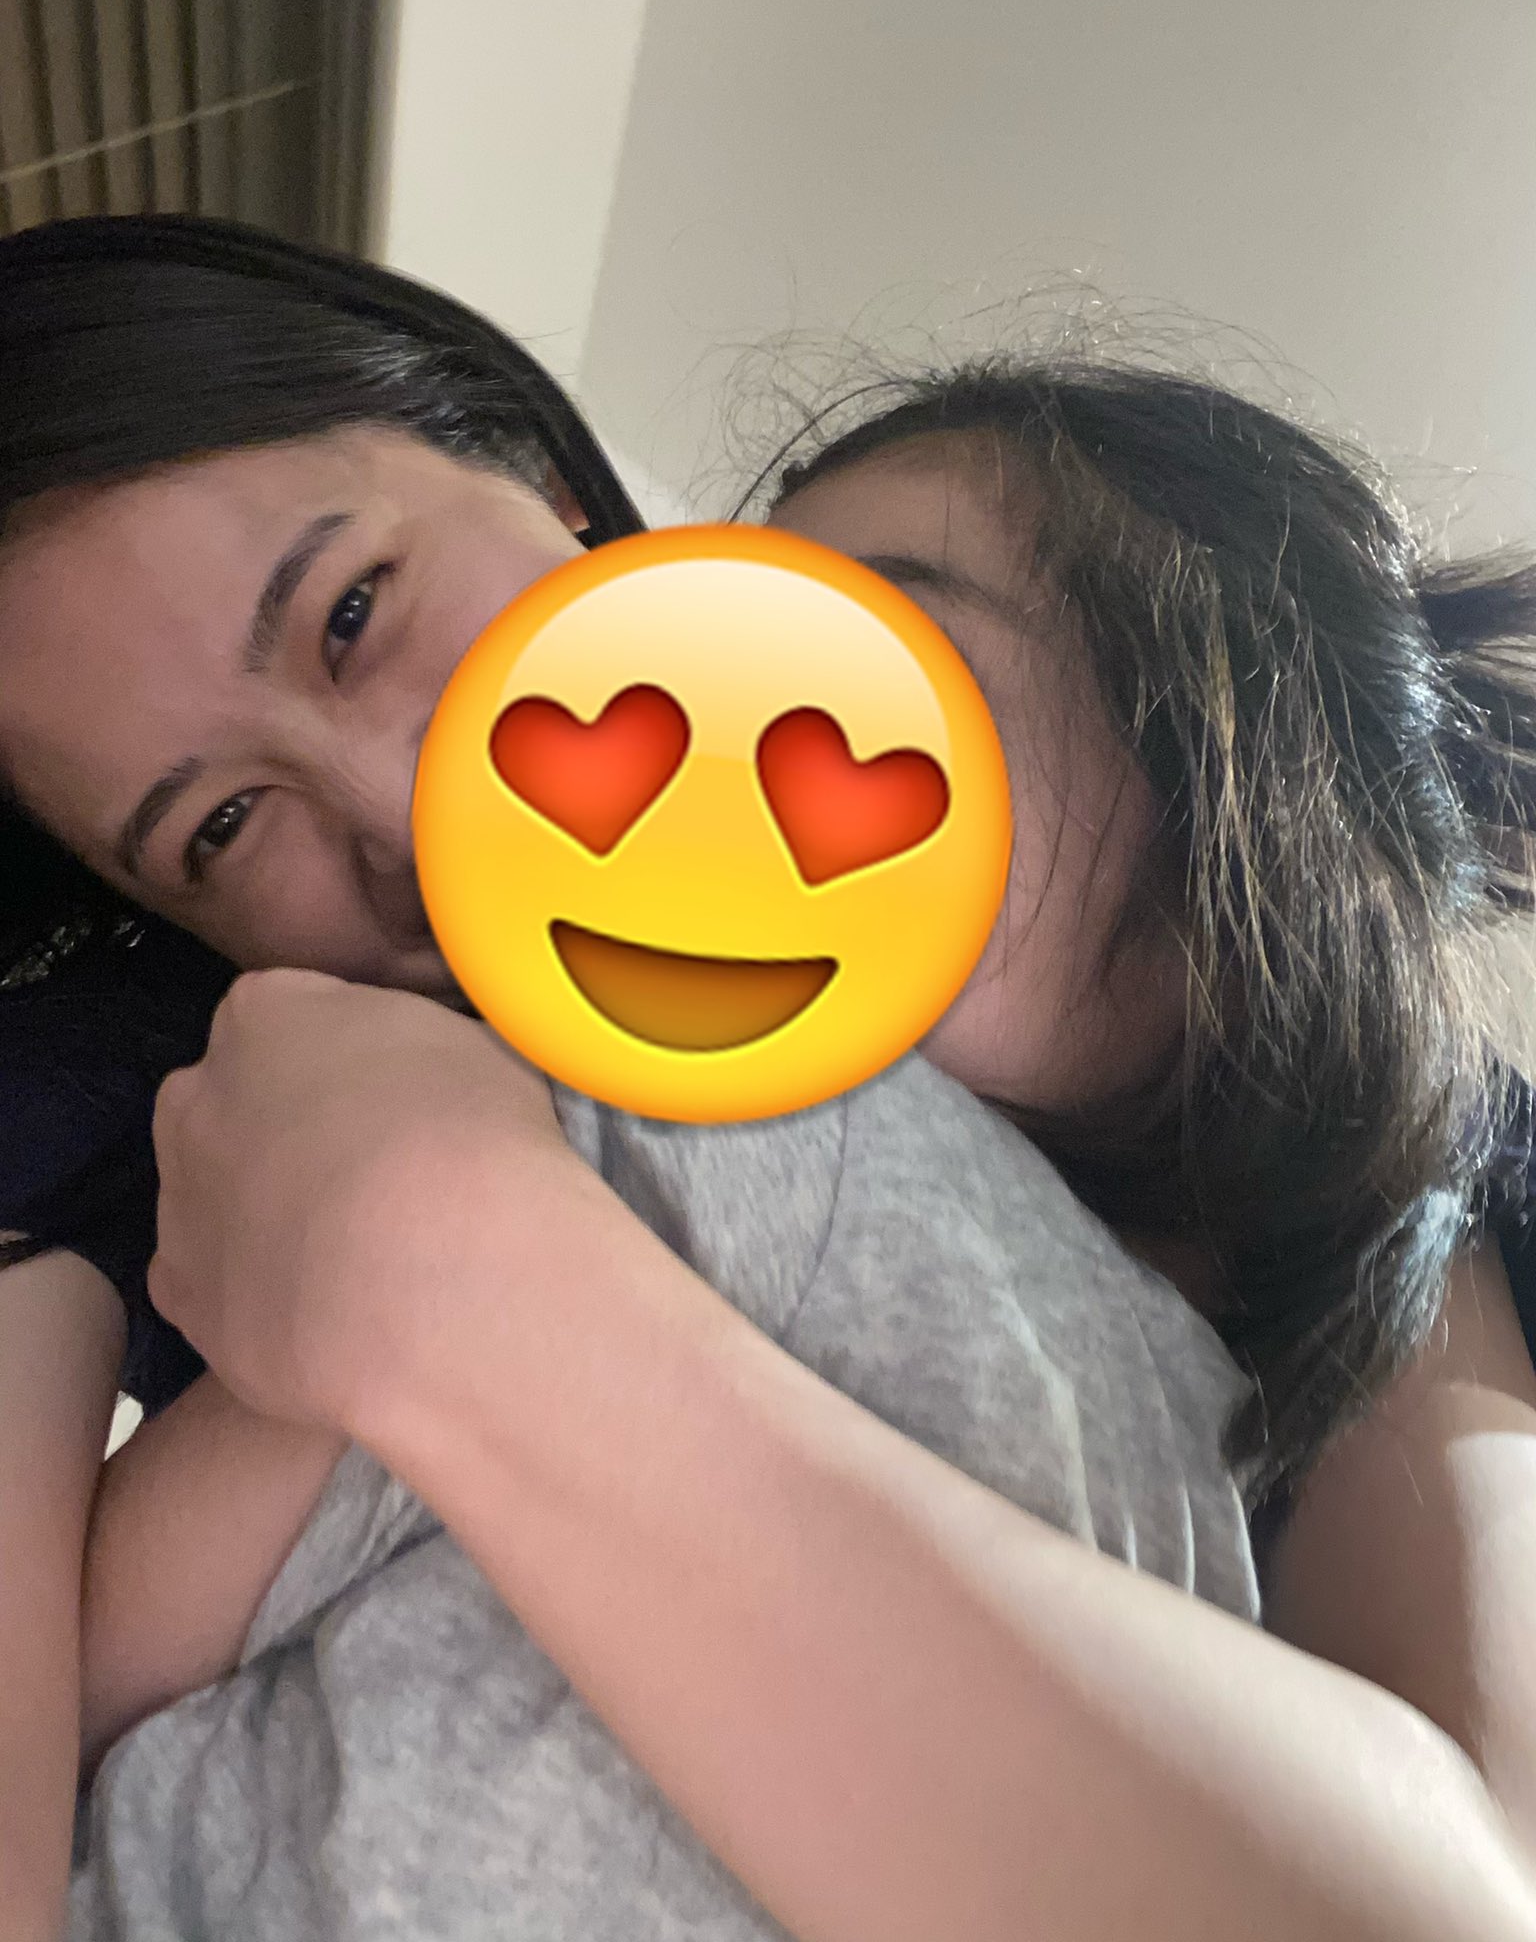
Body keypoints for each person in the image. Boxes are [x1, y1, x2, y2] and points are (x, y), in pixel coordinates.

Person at [1, 218, 1534, 1941]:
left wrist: (457, 1277)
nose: (406, 819)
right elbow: (100, 1672)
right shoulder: (405, 1077)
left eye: (355, 608)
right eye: (215, 828)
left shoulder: (1399, 1217)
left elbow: (1442, 1891)